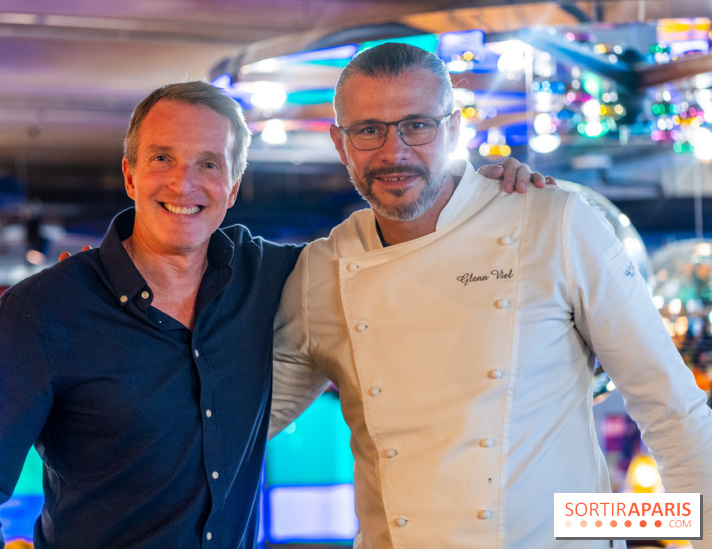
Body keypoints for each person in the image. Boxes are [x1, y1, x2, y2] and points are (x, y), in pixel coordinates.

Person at [0, 79, 545, 547]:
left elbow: (401, 251)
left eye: (208, 163)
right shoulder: (43, 311)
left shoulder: (275, 277)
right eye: (162, 158)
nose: (184, 183)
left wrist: (477, 191)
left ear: (235, 180)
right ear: (130, 174)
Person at [270, 42, 712, 548]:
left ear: (455, 128)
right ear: (339, 142)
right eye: (369, 130)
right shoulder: (322, 271)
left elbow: (671, 408)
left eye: (418, 124)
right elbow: (243, 424)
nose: (394, 152)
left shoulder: (553, 223)